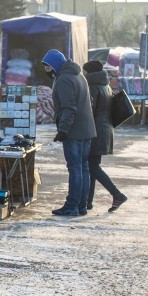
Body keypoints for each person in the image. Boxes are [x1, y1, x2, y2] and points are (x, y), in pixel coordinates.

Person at [41, 49, 96, 216]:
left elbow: (68, 107)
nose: (47, 71)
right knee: (83, 167)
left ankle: (72, 205)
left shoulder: (64, 79)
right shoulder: (79, 76)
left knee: (75, 168)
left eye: (48, 67)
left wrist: (63, 130)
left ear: (56, 65)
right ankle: (82, 206)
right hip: (87, 129)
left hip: (74, 131)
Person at [82, 61, 127, 212]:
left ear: (89, 72)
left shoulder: (93, 87)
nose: (84, 74)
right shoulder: (105, 85)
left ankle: (117, 194)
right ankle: (88, 201)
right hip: (105, 130)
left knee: (92, 167)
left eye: (85, 71)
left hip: (96, 131)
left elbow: (90, 111)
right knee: (92, 167)